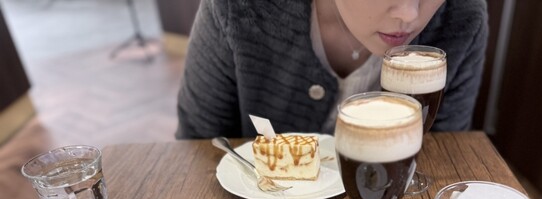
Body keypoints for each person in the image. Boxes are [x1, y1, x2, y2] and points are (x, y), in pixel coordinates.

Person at [176, 0, 488, 139]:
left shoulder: (460, 17)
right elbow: (199, 146)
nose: (408, 13)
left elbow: (444, 152)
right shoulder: (241, 7)